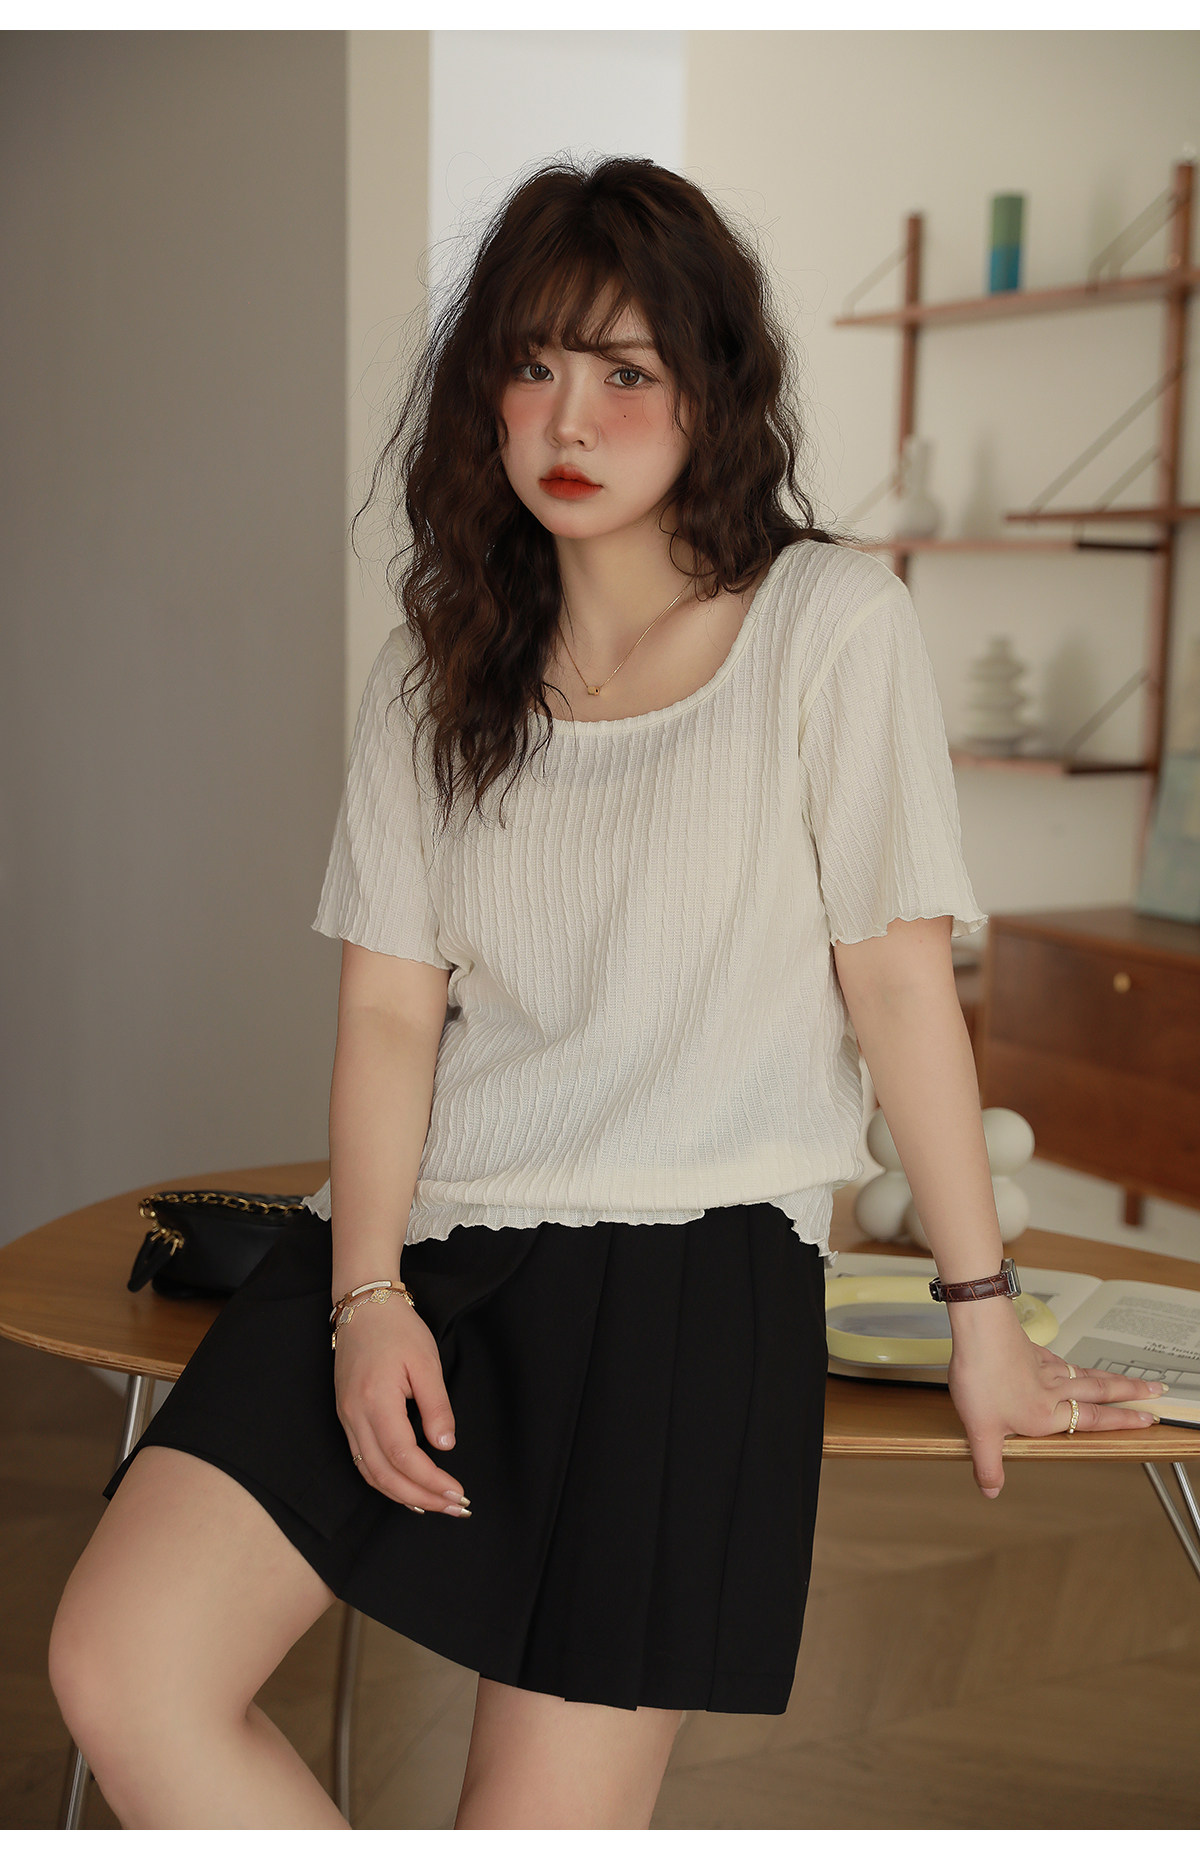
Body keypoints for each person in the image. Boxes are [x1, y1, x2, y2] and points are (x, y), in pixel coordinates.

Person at [47, 155, 1166, 1832]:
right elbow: (388, 1016)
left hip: (688, 1295)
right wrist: (366, 1298)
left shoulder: (828, 623)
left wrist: (980, 1313)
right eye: (533, 364)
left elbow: (893, 983)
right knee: (122, 1665)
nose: (571, 418)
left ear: (713, 395)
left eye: (627, 372)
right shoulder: (435, 669)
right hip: (423, 1254)